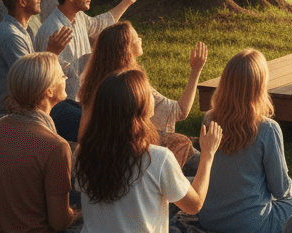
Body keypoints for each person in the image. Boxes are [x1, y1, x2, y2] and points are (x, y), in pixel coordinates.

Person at [71, 70, 222, 233]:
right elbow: (195, 205)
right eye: (148, 92)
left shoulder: (83, 154)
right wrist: (208, 155)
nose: (153, 96)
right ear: (140, 108)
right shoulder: (158, 159)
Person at [198, 49, 292, 233]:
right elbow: (282, 191)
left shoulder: (209, 119)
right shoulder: (267, 129)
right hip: (252, 225)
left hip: (209, 219)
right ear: (259, 87)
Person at [34, 0, 146, 141]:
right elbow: (45, 77)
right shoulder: (52, 30)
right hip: (62, 111)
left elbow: (99, 24)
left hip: (80, 104)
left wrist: (127, 1)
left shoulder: (78, 17)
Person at [77, 21, 206, 170]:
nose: (141, 39)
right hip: (140, 159)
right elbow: (180, 110)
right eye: (136, 38)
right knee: (205, 163)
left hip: (108, 161)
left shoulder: (94, 83)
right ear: (126, 48)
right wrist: (196, 71)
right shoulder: (132, 86)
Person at [0, 53, 81, 233]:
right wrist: (81, 213)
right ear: (48, 91)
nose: (66, 78)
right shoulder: (54, 146)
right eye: (62, 76)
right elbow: (59, 223)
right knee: (103, 225)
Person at [0, 0, 71, 119]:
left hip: (32, 106)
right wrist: (51, 52)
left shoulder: (21, 28)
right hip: (17, 113)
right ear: (22, 2)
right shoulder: (10, 35)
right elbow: (29, 81)